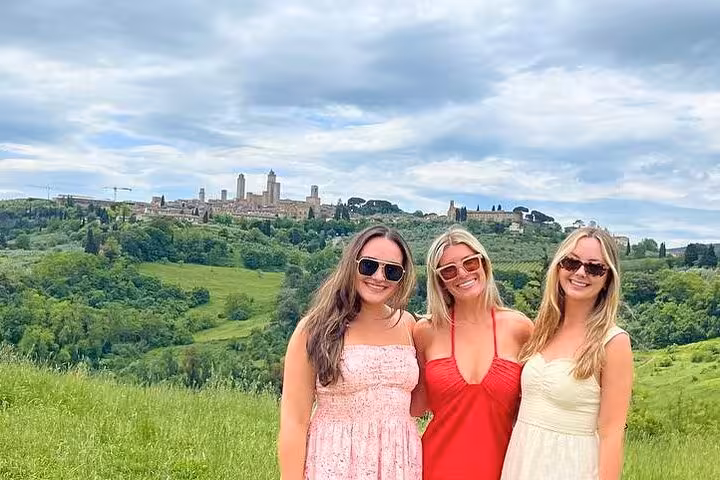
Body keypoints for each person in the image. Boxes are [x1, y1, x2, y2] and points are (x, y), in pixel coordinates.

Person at [278, 225, 422, 480]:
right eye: (368, 265)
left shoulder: (408, 325)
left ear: (402, 277)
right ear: (351, 265)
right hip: (334, 464)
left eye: (392, 271)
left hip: (399, 465)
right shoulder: (313, 330)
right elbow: (294, 422)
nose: (379, 277)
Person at [501, 227, 633, 480]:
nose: (580, 272)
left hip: (572, 466)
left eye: (594, 267)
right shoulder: (542, 330)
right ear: (558, 267)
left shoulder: (613, 342)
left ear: (608, 279)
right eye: (571, 262)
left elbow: (612, 434)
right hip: (522, 461)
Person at [412, 226, 533, 480]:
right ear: (439, 281)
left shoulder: (519, 328)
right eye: (449, 270)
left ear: (484, 264)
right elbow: (412, 405)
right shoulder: (426, 331)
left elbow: (536, 406)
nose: (462, 273)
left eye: (470, 262)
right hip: (435, 468)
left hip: (504, 469)